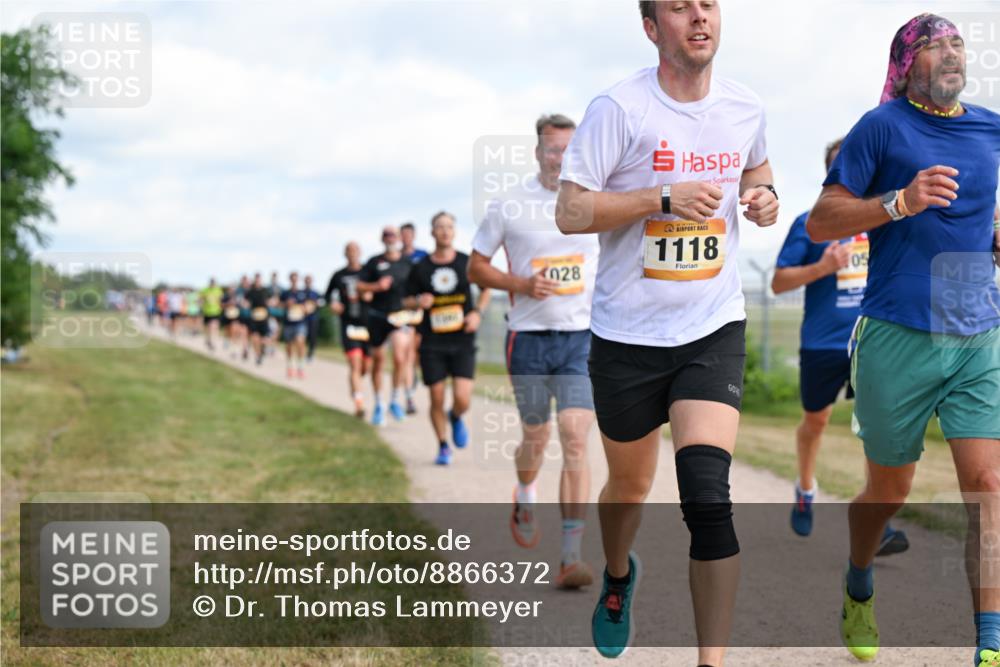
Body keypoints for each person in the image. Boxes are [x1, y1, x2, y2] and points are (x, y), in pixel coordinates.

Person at [556, 1, 780, 661]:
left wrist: (764, 198)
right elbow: (570, 210)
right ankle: (619, 573)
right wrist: (661, 196)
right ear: (653, 29)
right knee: (627, 487)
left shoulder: (746, 106)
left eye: (708, 4)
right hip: (626, 337)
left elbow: (759, 172)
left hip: (710, 327)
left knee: (707, 496)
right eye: (681, 7)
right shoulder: (619, 109)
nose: (700, 17)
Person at [806, 14, 1000, 666]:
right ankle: (859, 575)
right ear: (906, 63)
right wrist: (898, 202)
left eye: (956, 42)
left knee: (989, 484)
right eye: (934, 44)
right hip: (896, 335)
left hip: (977, 331)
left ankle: (991, 644)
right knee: (889, 491)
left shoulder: (990, 125)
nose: (951, 52)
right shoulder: (882, 126)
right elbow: (821, 219)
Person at [469, 113, 600, 591]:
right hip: (526, 338)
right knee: (537, 437)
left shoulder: (593, 203)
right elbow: (476, 268)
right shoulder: (509, 204)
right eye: (552, 149)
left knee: (574, 435)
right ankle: (525, 492)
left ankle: (570, 556)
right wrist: (520, 283)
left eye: (568, 149)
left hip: (580, 338)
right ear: (538, 152)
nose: (559, 157)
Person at [772, 139, 909, 555]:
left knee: (875, 427)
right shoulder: (809, 223)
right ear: (830, 176)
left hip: (872, 340)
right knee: (816, 422)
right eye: (840, 169)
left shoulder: (885, 222)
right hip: (821, 344)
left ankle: (875, 519)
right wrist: (823, 267)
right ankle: (805, 487)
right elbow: (779, 283)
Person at [405, 212, 490, 465]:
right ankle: (443, 445)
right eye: (439, 227)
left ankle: (455, 416)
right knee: (437, 397)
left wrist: (477, 313)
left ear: (454, 232)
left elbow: (486, 289)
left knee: (463, 398)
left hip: (462, 339)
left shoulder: (466, 262)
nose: (444, 231)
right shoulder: (420, 268)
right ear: (432, 232)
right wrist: (418, 301)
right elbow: (406, 299)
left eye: (449, 227)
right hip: (432, 342)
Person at [357, 226, 415, 426]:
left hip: (399, 317)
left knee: (400, 357)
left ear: (399, 238)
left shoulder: (407, 264)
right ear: (382, 239)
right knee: (379, 361)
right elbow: (359, 285)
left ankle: (395, 399)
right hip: (377, 316)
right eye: (386, 235)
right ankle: (379, 404)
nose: (390, 238)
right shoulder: (374, 262)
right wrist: (376, 286)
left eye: (393, 235)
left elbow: (415, 289)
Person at [327, 242, 373, 418]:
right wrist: (333, 304)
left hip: (367, 324)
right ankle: (359, 404)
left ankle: (355, 389)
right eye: (349, 251)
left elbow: (379, 290)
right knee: (355, 363)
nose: (352, 254)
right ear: (345, 254)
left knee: (364, 367)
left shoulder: (368, 272)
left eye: (355, 250)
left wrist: (371, 294)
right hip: (349, 323)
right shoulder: (339, 275)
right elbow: (328, 295)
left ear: (360, 252)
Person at [401, 221, 429, 413]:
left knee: (418, 352)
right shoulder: (397, 258)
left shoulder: (423, 256)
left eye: (409, 234)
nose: (406, 238)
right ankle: (409, 398)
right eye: (403, 234)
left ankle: (414, 373)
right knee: (408, 354)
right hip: (405, 310)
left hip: (423, 311)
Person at [281, 271, 309, 379]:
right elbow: (279, 305)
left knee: (300, 342)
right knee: (289, 345)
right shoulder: (285, 293)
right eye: (292, 278)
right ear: (290, 280)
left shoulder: (303, 293)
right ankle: (290, 366)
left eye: (295, 279)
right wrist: (286, 304)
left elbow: (308, 307)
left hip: (300, 322)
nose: (294, 280)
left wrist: (304, 308)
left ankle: (300, 367)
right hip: (288, 322)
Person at [244, 273, 271, 365]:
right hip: (254, 317)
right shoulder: (250, 291)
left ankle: (262, 350)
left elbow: (273, 300)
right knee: (255, 337)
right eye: (256, 280)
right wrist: (245, 304)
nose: (257, 281)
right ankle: (258, 355)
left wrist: (271, 302)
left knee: (264, 339)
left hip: (264, 317)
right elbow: (245, 301)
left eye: (259, 280)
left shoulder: (266, 290)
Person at [199, 278, 224, 351]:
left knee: (214, 326)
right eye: (211, 283)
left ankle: (213, 341)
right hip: (207, 312)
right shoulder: (205, 290)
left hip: (216, 312)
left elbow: (221, 300)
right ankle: (209, 339)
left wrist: (221, 305)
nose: (212, 284)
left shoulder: (218, 290)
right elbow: (201, 299)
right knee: (208, 327)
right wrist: (201, 303)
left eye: (214, 283)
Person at [302, 274, 321, 362]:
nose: (308, 282)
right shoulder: (301, 292)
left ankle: (310, 353)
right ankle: (302, 353)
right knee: (302, 336)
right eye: (307, 280)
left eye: (309, 280)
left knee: (312, 337)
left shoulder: (316, 293)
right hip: (302, 318)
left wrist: (317, 303)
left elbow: (322, 303)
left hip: (313, 318)